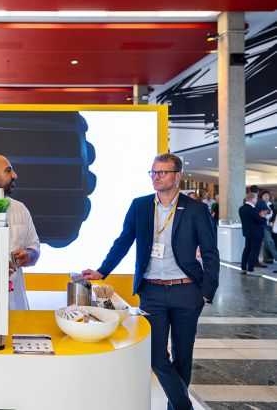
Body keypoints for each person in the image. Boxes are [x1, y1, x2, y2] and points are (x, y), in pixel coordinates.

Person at [81, 153, 219, 410]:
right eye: (153, 172)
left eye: (162, 172)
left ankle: (175, 406)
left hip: (186, 290)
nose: (156, 177)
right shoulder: (141, 205)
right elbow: (124, 241)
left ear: (177, 176)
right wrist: (102, 271)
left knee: (182, 357)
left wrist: (206, 293)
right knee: (155, 356)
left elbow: (210, 253)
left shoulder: (195, 209)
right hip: (152, 291)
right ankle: (184, 406)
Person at [0, 154, 40, 310]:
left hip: (15, 305)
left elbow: (34, 248)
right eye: (8, 171)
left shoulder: (20, 209)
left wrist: (28, 255)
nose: (14, 175)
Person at [239, 192, 269, 275]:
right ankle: (250, 270)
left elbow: (252, 220)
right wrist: (263, 215)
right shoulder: (252, 209)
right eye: (256, 198)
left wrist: (259, 215)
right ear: (252, 199)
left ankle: (243, 268)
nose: (256, 200)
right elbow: (261, 221)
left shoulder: (241, 208)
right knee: (254, 251)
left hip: (247, 232)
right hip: (256, 233)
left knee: (247, 249)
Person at [257, 190, 277, 265]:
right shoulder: (259, 204)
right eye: (265, 196)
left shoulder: (271, 204)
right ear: (261, 196)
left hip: (271, 225)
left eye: (268, 196)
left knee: (267, 242)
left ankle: (267, 258)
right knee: (269, 241)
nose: (267, 197)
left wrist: (272, 220)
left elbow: (273, 214)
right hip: (263, 225)